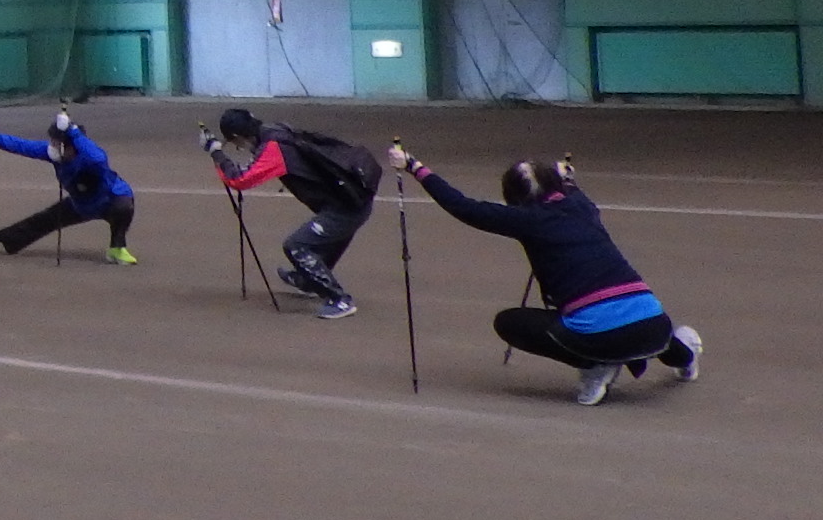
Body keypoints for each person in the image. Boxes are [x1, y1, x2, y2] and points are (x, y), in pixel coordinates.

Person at [388, 144, 701, 406]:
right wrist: (565, 177)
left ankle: (595, 364)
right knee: (643, 331)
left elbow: (463, 207)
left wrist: (414, 166)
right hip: (655, 323)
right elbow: (569, 186)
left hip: (598, 336)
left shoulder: (526, 219)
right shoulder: (582, 205)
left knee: (509, 322)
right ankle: (684, 354)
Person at [205, 106, 377, 319]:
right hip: (352, 200)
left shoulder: (274, 149)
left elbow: (240, 180)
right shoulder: (276, 130)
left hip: (346, 208)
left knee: (296, 246)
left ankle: (340, 300)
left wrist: (217, 153)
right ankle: (308, 281)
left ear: (238, 136)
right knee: (323, 242)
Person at [0, 110, 136, 264]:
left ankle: (117, 248)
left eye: (56, 142)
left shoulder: (90, 158)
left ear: (70, 146)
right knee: (42, 221)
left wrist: (73, 131)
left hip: (110, 199)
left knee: (124, 207)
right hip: (81, 204)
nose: (52, 146)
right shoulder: (53, 154)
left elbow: (99, 157)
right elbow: (22, 146)